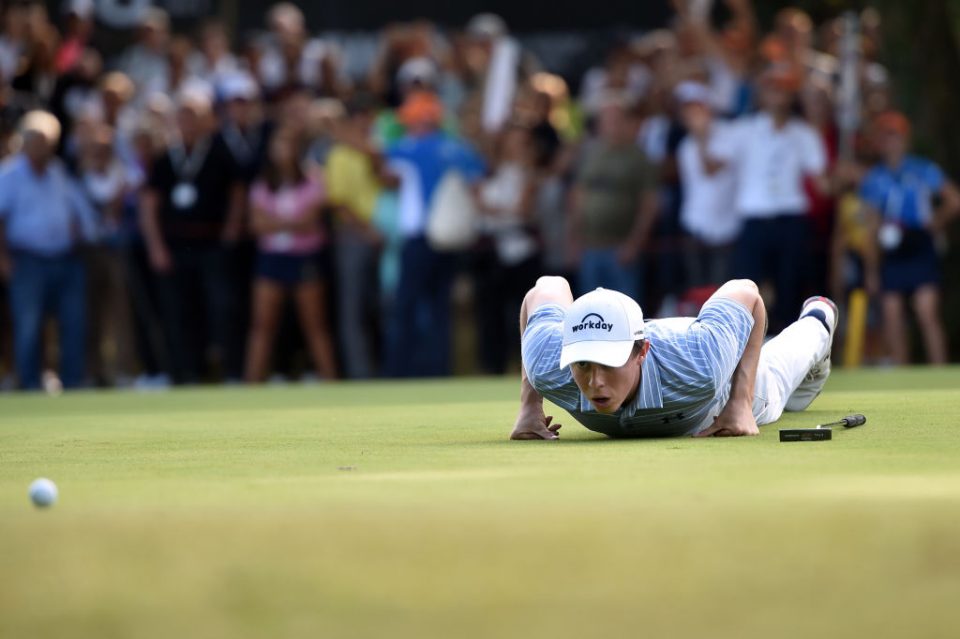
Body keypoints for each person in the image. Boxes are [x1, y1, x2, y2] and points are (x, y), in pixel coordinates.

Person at [511, 276, 838, 440]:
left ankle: (819, 316)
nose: (595, 382)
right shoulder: (547, 362)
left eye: (607, 363)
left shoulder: (702, 363)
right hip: (673, 340)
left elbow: (747, 292)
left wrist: (740, 402)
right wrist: (529, 408)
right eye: (583, 363)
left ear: (641, 351)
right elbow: (546, 287)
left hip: (719, 386)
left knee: (781, 376)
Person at [709, 64, 828, 331]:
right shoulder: (742, 130)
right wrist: (701, 130)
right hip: (755, 221)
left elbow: (823, 185)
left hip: (791, 220)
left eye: (783, 90)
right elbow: (711, 166)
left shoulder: (804, 134)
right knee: (746, 291)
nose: (777, 95)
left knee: (790, 288)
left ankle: (785, 349)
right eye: (772, 89)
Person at [139, 89, 246, 384]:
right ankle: (183, 374)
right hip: (175, 246)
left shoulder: (220, 151)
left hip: (212, 244)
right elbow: (149, 205)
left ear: (208, 119)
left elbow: (238, 193)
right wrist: (156, 247)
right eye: (183, 115)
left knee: (221, 309)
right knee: (176, 313)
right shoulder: (165, 157)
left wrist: (229, 233)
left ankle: (231, 372)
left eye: (194, 115)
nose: (188, 121)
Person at [382, 91, 485, 377]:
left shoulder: (408, 148)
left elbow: (380, 165)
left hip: (419, 240)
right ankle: (439, 370)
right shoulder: (460, 148)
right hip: (450, 241)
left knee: (406, 307)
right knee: (440, 309)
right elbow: (477, 185)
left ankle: (398, 372)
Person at [0, 110, 98, 390]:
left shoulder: (58, 172)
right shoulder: (8, 174)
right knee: (28, 326)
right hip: (27, 259)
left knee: (73, 323)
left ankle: (73, 382)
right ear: (25, 140)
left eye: (49, 140)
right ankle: (28, 383)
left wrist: (83, 232)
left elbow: (80, 214)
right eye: (39, 139)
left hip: (66, 260)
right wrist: (3, 259)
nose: (45, 146)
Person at [860, 111, 960, 365]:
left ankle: (940, 374)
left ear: (905, 140)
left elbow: (954, 200)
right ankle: (902, 378)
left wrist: (935, 224)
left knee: (927, 311)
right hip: (892, 245)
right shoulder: (873, 178)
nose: (890, 143)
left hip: (919, 241)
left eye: (895, 137)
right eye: (885, 137)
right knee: (892, 314)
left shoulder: (923, 169)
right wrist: (871, 269)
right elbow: (870, 227)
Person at [244, 125, 338, 382]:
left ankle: (332, 384)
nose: (283, 151)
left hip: (304, 257)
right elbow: (256, 224)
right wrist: (290, 223)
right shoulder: (264, 183)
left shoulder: (313, 179)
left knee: (315, 326)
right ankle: (249, 387)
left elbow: (311, 221)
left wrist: (274, 222)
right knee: (262, 326)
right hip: (272, 258)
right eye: (279, 145)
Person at [568, 94, 657, 301]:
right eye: (605, 120)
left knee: (627, 313)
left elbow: (649, 205)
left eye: (615, 119)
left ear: (626, 122)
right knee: (589, 314)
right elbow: (577, 197)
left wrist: (635, 243)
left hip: (621, 249)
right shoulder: (589, 155)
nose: (609, 125)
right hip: (589, 248)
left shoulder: (640, 158)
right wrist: (573, 237)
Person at [326, 95, 385, 379]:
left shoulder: (377, 153)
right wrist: (367, 231)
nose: (365, 123)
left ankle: (383, 369)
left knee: (381, 308)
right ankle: (360, 374)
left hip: (384, 239)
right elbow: (339, 203)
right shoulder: (339, 155)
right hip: (354, 237)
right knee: (353, 310)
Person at [675, 81, 739, 287]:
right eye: (688, 112)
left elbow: (710, 169)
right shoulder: (684, 146)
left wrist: (702, 140)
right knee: (696, 288)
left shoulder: (729, 134)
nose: (693, 117)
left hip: (727, 230)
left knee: (721, 291)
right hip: (695, 227)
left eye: (697, 110)